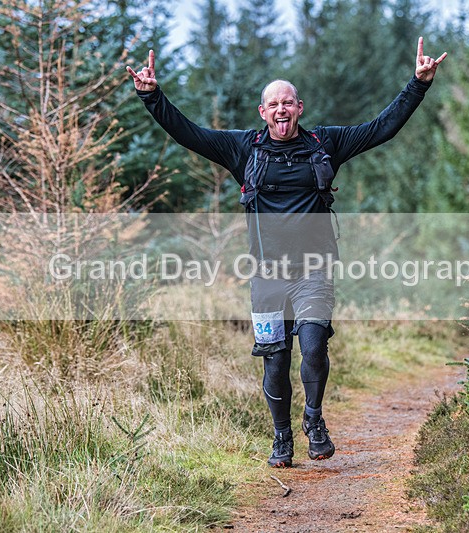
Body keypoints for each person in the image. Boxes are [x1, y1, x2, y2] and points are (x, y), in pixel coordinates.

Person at [127, 38, 446, 468]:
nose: (281, 110)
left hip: (314, 271)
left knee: (314, 346)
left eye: (288, 103)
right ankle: (282, 437)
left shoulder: (325, 144)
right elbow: (190, 134)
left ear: (300, 108)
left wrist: (418, 84)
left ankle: (313, 421)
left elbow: (381, 127)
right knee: (274, 362)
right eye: (273, 104)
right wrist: (152, 97)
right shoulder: (244, 149)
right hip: (266, 277)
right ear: (263, 112)